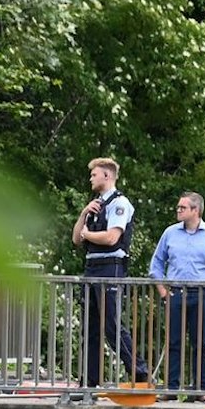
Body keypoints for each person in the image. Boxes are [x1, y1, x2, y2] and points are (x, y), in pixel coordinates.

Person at [148, 191, 205, 396]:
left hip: (203, 295)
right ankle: (171, 388)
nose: (178, 210)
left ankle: (201, 389)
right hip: (176, 293)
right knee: (173, 341)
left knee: (202, 342)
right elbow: (156, 263)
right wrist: (162, 291)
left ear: (195, 210)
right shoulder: (170, 233)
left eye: (182, 207)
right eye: (178, 207)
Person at [71, 156, 138, 390]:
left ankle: (139, 372)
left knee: (111, 325)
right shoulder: (95, 205)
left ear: (107, 176)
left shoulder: (120, 204)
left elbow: (111, 237)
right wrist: (83, 214)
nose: (91, 178)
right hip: (91, 267)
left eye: (94, 174)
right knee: (90, 327)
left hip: (111, 267)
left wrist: (87, 235)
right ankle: (89, 381)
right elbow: (75, 239)